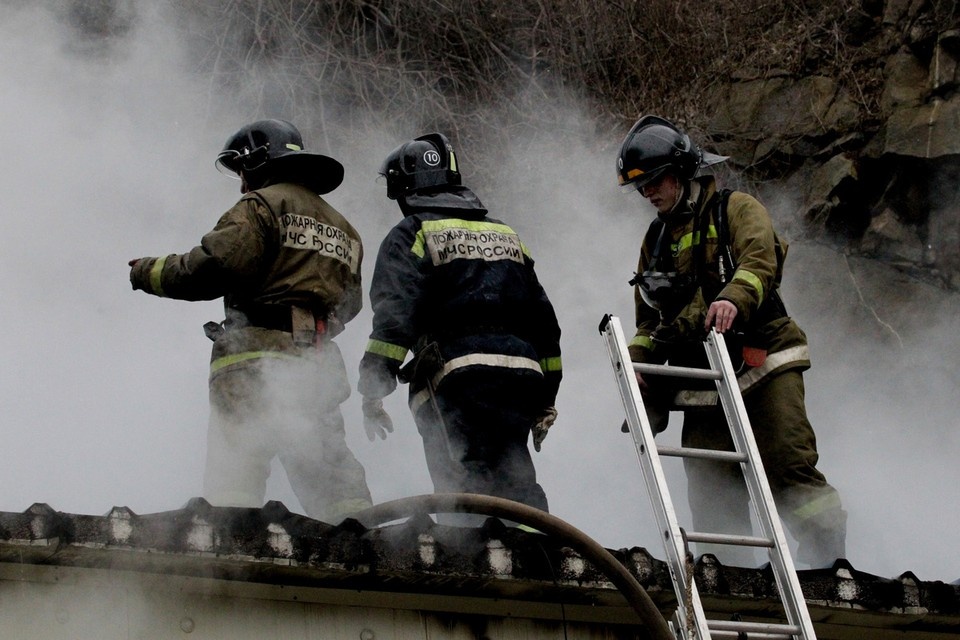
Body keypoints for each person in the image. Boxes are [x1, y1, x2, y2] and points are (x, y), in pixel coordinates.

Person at [616, 115, 846, 568]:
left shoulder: (736, 209)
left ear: (682, 171)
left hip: (763, 361)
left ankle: (829, 567)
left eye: (656, 181)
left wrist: (733, 298)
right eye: (641, 188)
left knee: (787, 463)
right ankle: (730, 580)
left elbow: (760, 259)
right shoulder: (655, 239)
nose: (649, 194)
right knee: (709, 485)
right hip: (704, 379)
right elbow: (647, 319)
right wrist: (638, 362)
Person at [128, 119, 373, 523]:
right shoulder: (344, 229)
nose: (241, 184)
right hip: (316, 363)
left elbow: (215, 267)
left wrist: (148, 272)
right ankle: (362, 547)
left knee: (236, 470)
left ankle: (233, 555)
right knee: (331, 475)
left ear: (258, 162)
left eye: (242, 171)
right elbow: (349, 305)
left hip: (254, 359)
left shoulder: (260, 206)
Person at [357, 132, 562, 516]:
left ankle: (475, 558)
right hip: (520, 377)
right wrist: (547, 396)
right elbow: (545, 324)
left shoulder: (411, 233)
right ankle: (539, 556)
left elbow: (394, 317)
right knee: (518, 482)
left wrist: (373, 387)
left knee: (463, 481)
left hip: (456, 378)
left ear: (404, 191)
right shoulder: (506, 234)